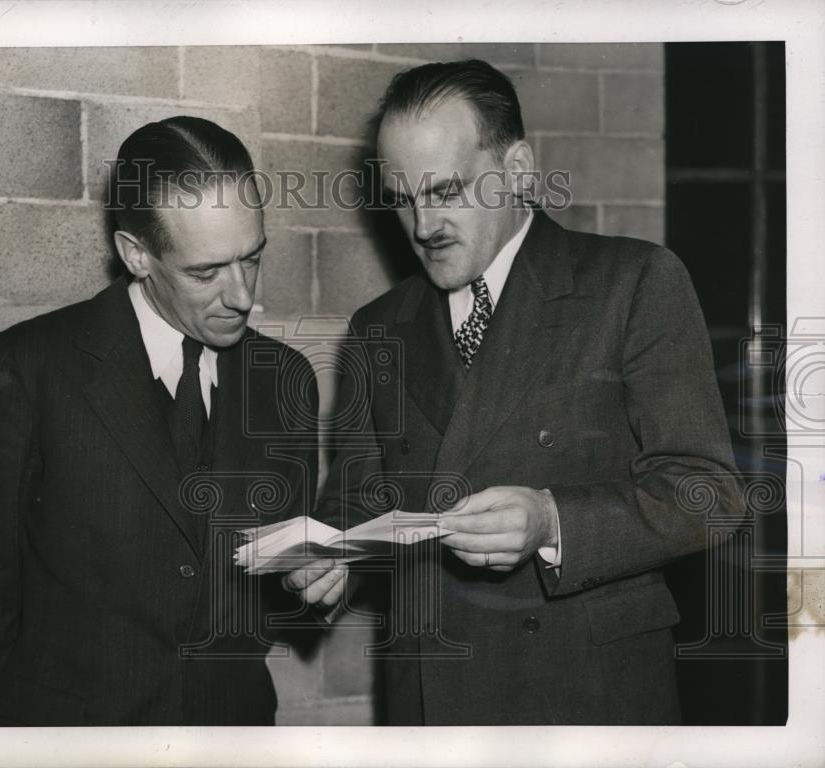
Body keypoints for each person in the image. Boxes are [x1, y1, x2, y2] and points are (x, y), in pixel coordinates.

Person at [285, 60, 744, 724]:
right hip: (431, 700)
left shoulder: (633, 282)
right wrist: (329, 554)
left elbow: (711, 492)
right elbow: (361, 496)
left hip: (582, 701)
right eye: (403, 197)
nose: (422, 225)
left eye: (445, 190)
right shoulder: (378, 328)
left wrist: (555, 521)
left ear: (520, 170)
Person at [0, 117, 318, 726]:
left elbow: (278, 594)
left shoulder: (286, 379)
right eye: (206, 272)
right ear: (136, 254)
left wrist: (311, 583)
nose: (243, 296)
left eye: (253, 258)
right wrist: (12, 733)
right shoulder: (29, 366)